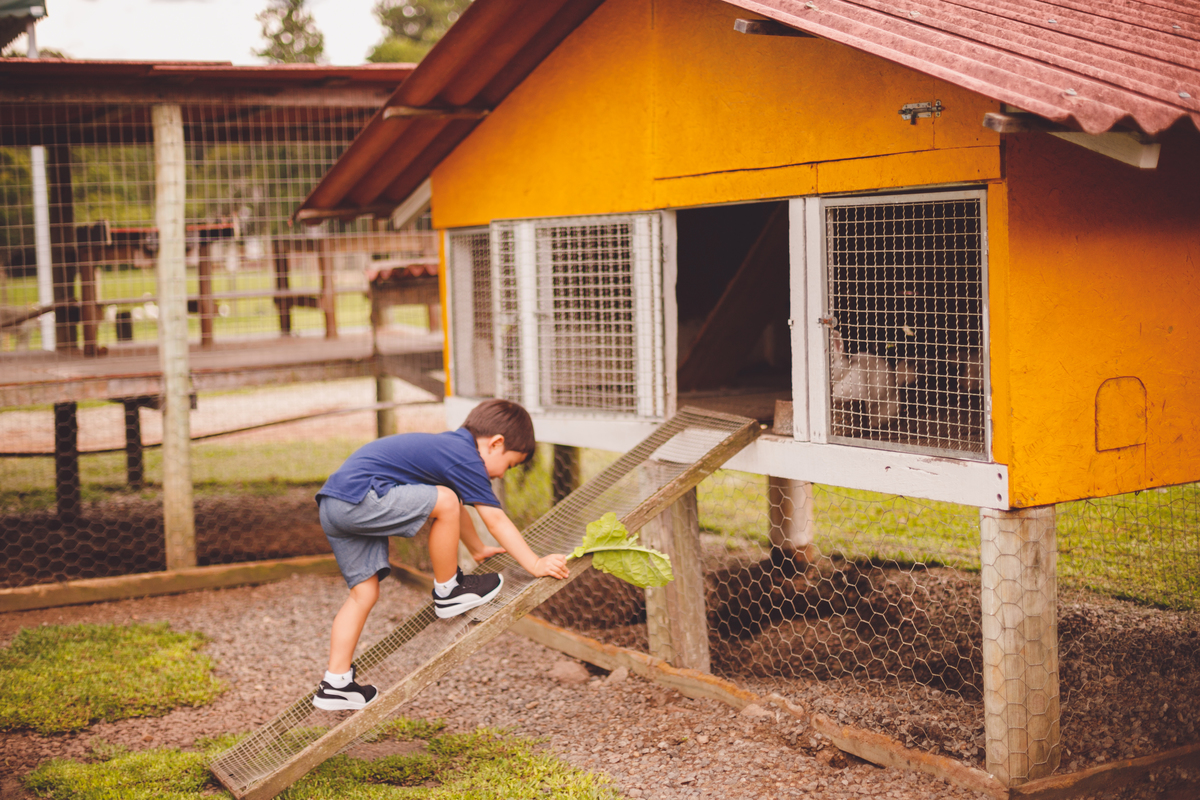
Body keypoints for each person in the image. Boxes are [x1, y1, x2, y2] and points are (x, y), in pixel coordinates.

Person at [311, 398, 570, 711]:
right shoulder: (465, 456)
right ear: (495, 444)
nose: (502, 475)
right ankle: (449, 590)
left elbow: (457, 507)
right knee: (445, 499)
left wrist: (477, 549)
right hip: (360, 499)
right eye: (510, 464)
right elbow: (494, 518)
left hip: (335, 504)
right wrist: (535, 563)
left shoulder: (450, 450)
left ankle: (335, 683)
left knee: (362, 594)